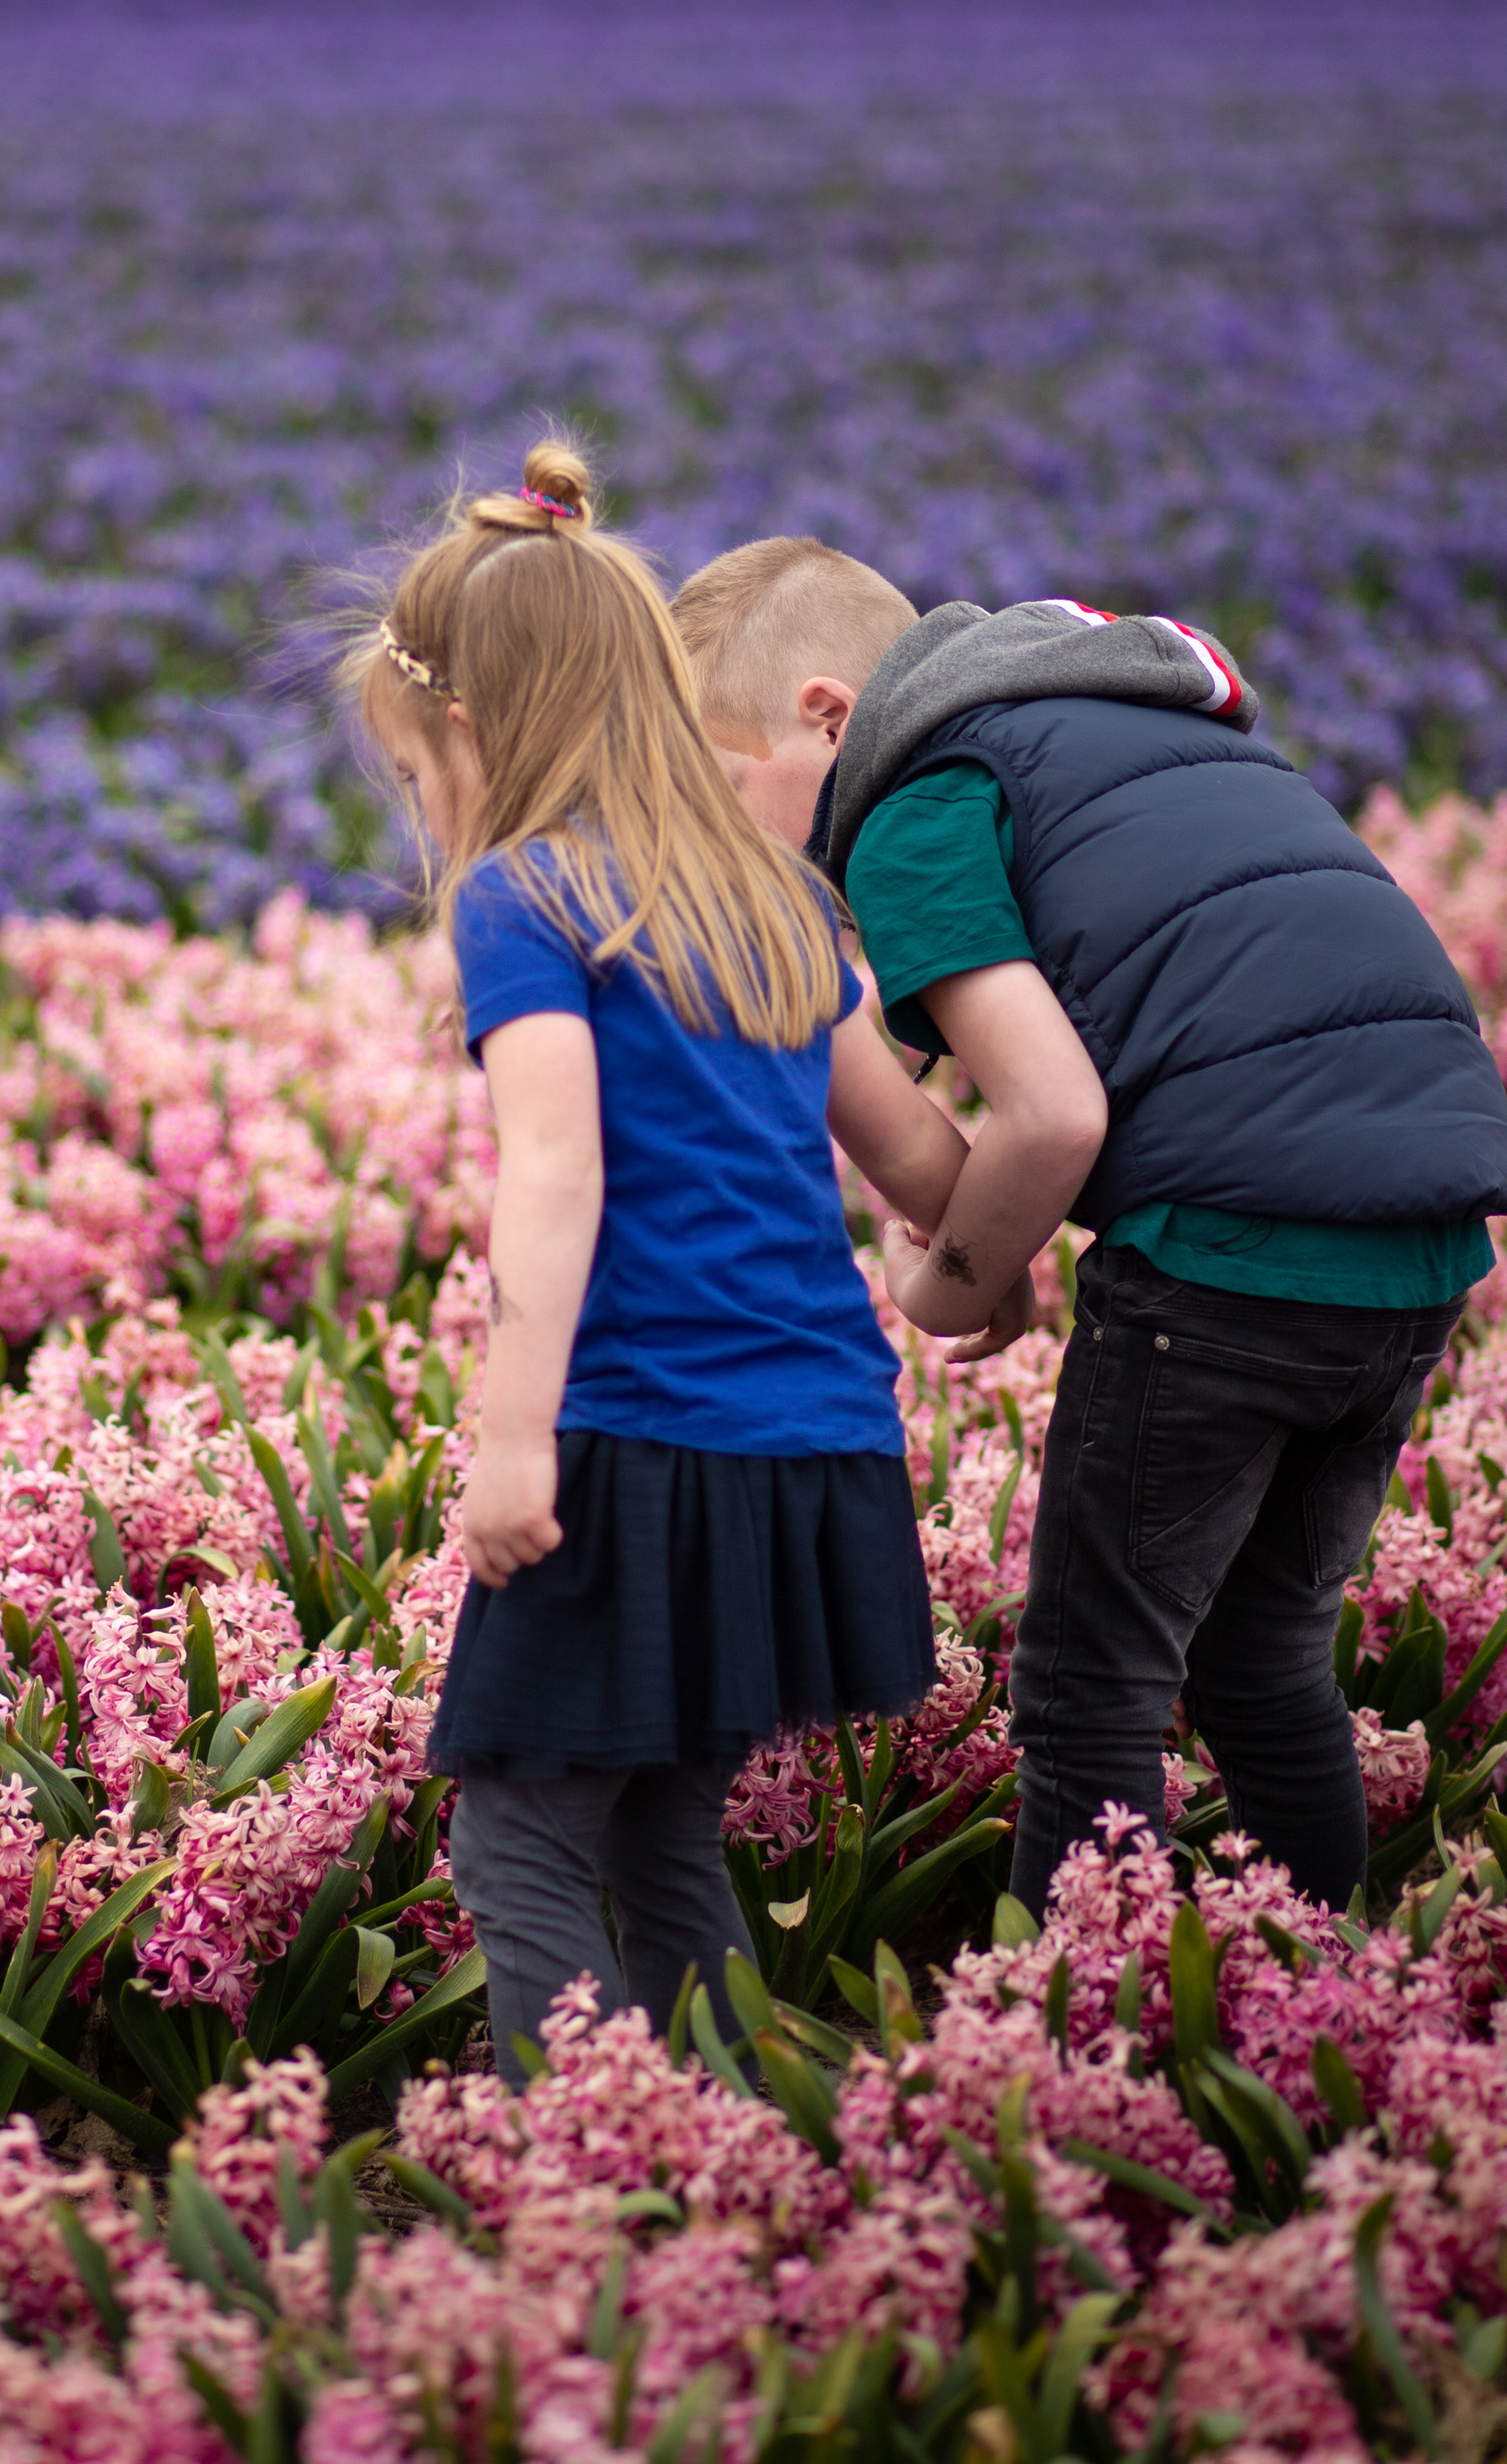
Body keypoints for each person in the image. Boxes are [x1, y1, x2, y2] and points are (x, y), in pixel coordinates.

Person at [671, 538, 1507, 1913]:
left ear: (830, 717)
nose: (719, 836)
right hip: (1419, 1239)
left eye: (717, 788)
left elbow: (1053, 1114)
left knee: (1086, 1691)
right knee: (1260, 1662)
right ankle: (1334, 1986)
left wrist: (950, 1283)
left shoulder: (910, 800)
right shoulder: (1117, 723)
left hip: (1229, 1255)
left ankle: (1069, 2051)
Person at [355, 443, 1026, 2082]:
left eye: (415, 771)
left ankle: (581, 2190)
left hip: (637, 1442)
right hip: (811, 1448)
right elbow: (922, 1157)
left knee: (517, 1843)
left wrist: (515, 1439)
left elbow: (558, 1174)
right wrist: (999, 1265)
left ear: (473, 734)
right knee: (661, 1838)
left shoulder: (525, 898)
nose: (424, 810)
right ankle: (739, 2148)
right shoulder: (774, 901)